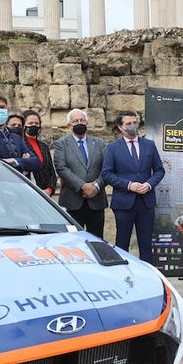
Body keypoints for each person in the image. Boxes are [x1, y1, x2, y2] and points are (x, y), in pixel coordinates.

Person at [101, 111, 165, 264]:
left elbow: (159, 170)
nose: (132, 126)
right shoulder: (113, 148)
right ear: (120, 127)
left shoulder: (149, 145)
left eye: (135, 122)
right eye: (128, 123)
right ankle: (122, 275)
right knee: (122, 243)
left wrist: (148, 184)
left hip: (146, 202)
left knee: (146, 244)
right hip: (124, 203)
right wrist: (129, 185)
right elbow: (107, 174)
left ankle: (148, 276)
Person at [52, 108, 107, 238]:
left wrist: (96, 186)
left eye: (82, 120)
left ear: (87, 123)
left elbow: (107, 168)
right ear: (69, 125)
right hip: (72, 201)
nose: (79, 123)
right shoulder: (61, 144)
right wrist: (83, 186)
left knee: (97, 241)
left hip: (96, 200)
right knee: (72, 241)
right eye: (75, 121)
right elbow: (61, 168)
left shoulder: (100, 143)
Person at [19, 109, 57, 195]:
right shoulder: (20, 144)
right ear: (24, 125)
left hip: (46, 194)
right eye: (30, 123)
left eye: (36, 123)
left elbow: (51, 172)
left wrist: (49, 190)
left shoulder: (44, 147)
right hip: (28, 193)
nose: (34, 126)